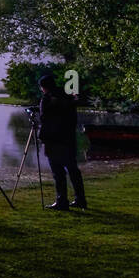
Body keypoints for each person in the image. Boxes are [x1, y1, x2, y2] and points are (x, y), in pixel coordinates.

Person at [39, 73, 87, 210]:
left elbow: (44, 118)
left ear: (44, 87)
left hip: (53, 140)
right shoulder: (68, 97)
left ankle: (62, 201)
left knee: (58, 172)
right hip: (68, 138)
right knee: (73, 169)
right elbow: (72, 118)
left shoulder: (47, 99)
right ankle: (80, 199)